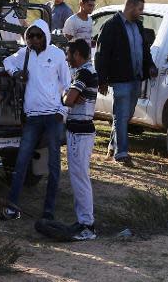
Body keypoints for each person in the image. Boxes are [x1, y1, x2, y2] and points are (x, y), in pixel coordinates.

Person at [1, 19, 70, 220]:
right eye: (30, 36)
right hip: (32, 116)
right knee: (22, 162)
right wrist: (16, 73)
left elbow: (67, 84)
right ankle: (12, 206)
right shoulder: (25, 53)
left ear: (46, 36)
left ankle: (48, 211)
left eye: (38, 35)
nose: (34, 39)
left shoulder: (57, 54)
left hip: (53, 116)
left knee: (54, 165)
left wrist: (62, 112)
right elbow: (7, 62)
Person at [94, 0, 158, 167]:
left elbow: (145, 50)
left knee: (126, 116)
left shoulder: (138, 25)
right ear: (130, 7)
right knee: (121, 116)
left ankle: (113, 147)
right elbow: (101, 55)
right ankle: (121, 154)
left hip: (136, 78)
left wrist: (150, 65)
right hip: (120, 79)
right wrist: (102, 80)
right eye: (139, 9)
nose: (141, 12)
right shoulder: (111, 26)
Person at [62, 39, 99, 240]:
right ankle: (83, 220)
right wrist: (69, 94)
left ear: (77, 54)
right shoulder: (85, 72)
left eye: (68, 54)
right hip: (80, 131)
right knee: (78, 177)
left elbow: (68, 100)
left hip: (80, 132)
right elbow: (70, 97)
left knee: (80, 178)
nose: (67, 59)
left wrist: (67, 94)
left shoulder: (83, 73)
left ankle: (87, 225)